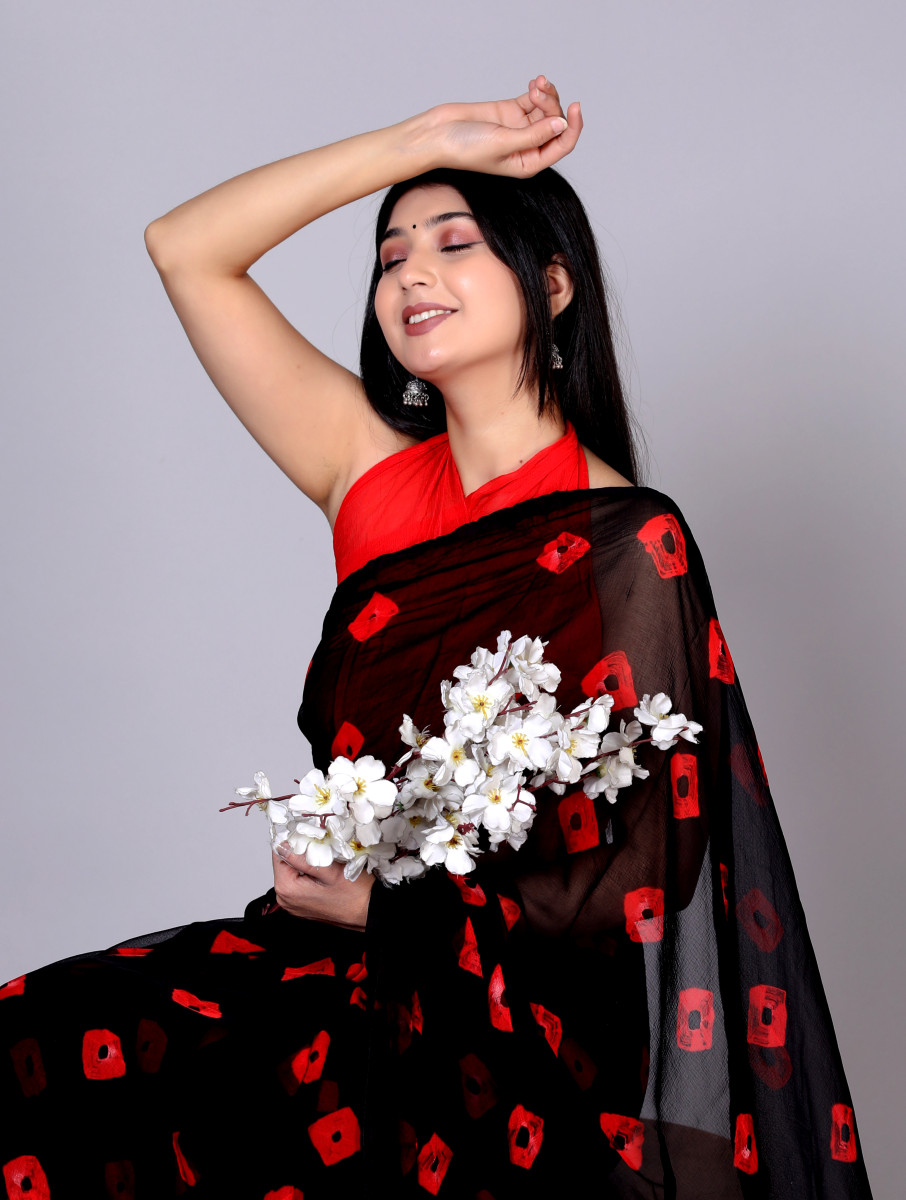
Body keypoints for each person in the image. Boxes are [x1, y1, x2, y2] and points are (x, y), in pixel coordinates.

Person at [0, 78, 872, 1199]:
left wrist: (393, 912)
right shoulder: (363, 473)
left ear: (552, 284)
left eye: (455, 243)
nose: (412, 273)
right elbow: (186, 249)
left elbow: (644, 874)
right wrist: (419, 142)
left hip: (511, 1020)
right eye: (390, 256)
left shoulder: (624, 540)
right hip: (327, 966)